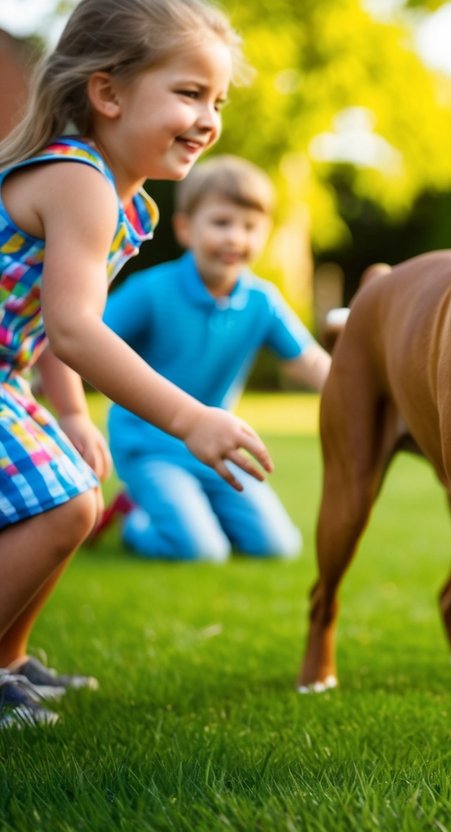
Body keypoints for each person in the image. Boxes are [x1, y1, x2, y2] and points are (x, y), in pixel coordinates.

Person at [0, 0, 270, 729]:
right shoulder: (78, 180)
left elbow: (50, 325)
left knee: (75, 486)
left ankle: (9, 663)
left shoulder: (127, 200)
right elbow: (78, 330)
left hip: (8, 372)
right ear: (108, 92)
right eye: (188, 93)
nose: (209, 118)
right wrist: (190, 419)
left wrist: (72, 416)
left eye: (217, 100)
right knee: (66, 506)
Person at [92, 155, 330, 561]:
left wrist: (363, 388)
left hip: (218, 447)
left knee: (277, 545)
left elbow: (309, 362)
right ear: (186, 228)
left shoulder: (262, 301)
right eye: (222, 223)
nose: (236, 238)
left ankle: (194, 511)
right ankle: (135, 517)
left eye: (250, 226)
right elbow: (88, 335)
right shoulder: (151, 289)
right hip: (149, 447)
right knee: (201, 550)